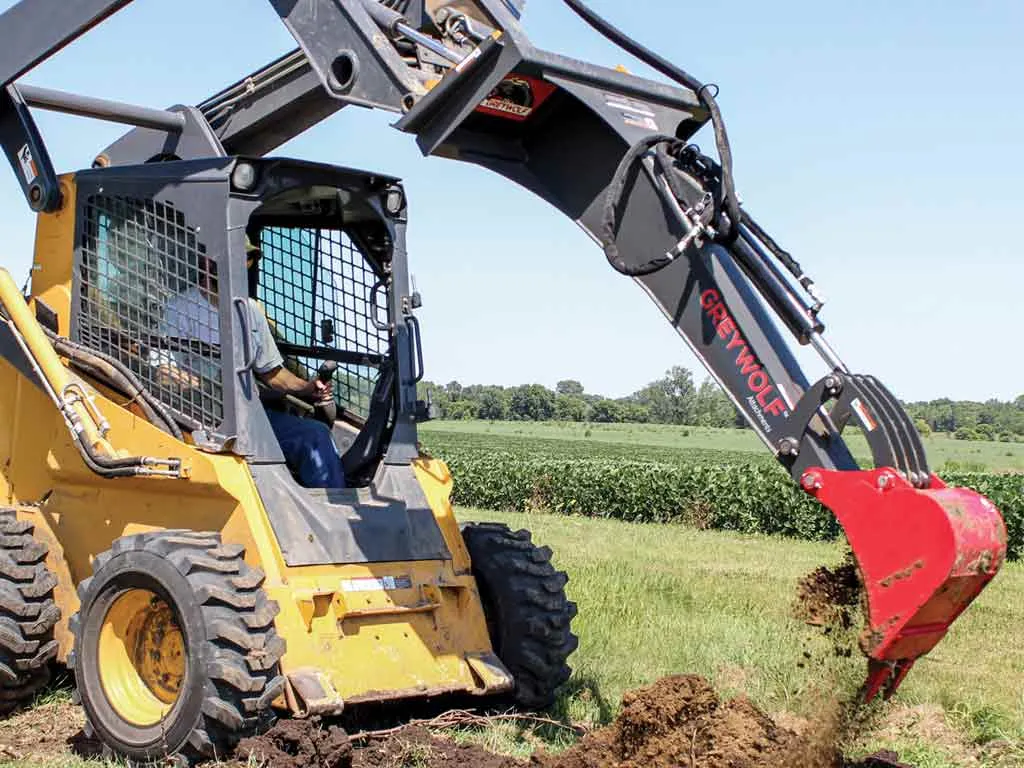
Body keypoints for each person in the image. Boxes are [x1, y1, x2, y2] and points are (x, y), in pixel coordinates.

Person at [153, 237, 345, 488]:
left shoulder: (251, 310)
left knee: (315, 436)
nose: (242, 265)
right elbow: (161, 372)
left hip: (248, 414)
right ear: (208, 263)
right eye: (233, 258)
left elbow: (273, 373)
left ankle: (332, 517)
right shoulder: (180, 309)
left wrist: (308, 387)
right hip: (201, 417)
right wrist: (202, 386)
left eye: (247, 258)